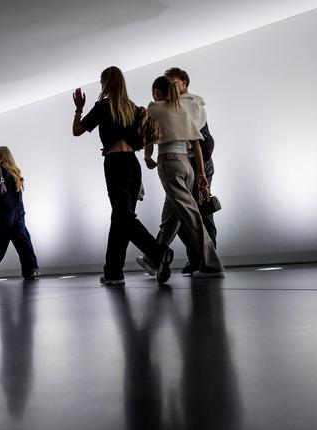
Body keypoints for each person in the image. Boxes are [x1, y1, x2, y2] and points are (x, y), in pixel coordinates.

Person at [72, 66, 174, 285]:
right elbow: (142, 140)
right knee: (120, 220)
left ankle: (157, 253)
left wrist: (78, 109)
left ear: (107, 83)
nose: (101, 86)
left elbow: (77, 130)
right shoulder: (133, 108)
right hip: (132, 165)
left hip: (115, 164)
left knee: (123, 218)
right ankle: (113, 272)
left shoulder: (103, 106)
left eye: (102, 82)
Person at [140, 76, 224, 278]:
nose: (153, 95)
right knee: (170, 218)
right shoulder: (183, 109)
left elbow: (148, 136)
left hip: (169, 163)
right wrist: (201, 174)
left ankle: (212, 265)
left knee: (192, 216)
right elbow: (196, 143)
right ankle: (154, 259)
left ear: (158, 92)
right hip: (188, 166)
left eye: (154, 91)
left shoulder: (153, 108)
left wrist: (147, 156)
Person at [0, 146, 40, 282]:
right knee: (23, 242)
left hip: (4, 214)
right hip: (19, 214)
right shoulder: (15, 172)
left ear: (1, 156)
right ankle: (32, 270)